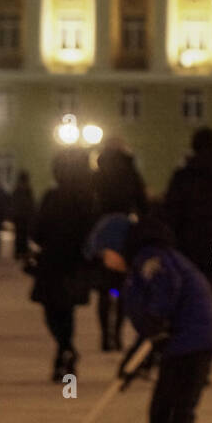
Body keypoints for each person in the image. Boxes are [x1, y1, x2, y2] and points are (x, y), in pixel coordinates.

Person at [85, 214, 212, 423]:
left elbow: (166, 288)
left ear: (118, 245)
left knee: (175, 413)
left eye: (106, 254)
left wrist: (157, 319)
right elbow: (151, 327)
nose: (107, 262)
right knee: (162, 411)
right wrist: (133, 360)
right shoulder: (141, 264)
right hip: (180, 344)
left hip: (192, 343)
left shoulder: (151, 258)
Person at [29, 148, 96, 381]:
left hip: (53, 261)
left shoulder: (52, 196)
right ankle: (65, 352)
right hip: (75, 262)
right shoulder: (87, 199)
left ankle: (65, 351)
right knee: (66, 311)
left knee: (52, 311)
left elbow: (37, 231)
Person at [161, 128, 212, 294]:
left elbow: (170, 211)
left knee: (185, 286)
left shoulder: (182, 177)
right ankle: (208, 315)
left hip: (186, 241)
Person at [92, 140, 147, 351]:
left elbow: (89, 204)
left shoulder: (97, 175)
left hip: (103, 233)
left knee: (105, 289)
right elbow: (143, 206)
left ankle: (105, 336)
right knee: (121, 287)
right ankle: (117, 334)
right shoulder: (131, 174)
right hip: (125, 235)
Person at [11, 171, 34, 260]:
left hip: (19, 215)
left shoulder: (17, 190)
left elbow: (13, 203)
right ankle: (22, 252)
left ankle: (18, 252)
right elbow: (31, 204)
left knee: (19, 235)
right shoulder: (28, 190)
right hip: (25, 216)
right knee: (23, 235)